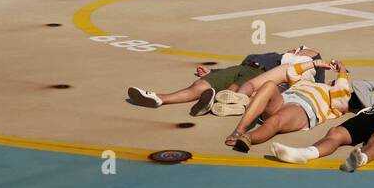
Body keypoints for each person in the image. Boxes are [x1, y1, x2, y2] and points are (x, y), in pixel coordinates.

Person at [126, 46, 323, 117]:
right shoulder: (273, 55)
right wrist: (213, 70)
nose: (298, 50)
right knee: (200, 85)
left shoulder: (287, 69)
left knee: (234, 89)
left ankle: (212, 104)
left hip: (256, 75)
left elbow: (303, 82)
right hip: (238, 68)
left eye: (304, 50)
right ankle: (159, 98)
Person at [224, 55, 351, 152]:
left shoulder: (333, 99)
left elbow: (342, 99)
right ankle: (239, 130)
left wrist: (342, 72)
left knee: (276, 120)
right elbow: (291, 71)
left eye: (339, 81)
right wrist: (315, 63)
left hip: (302, 108)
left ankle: (249, 137)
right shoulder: (307, 83)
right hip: (283, 100)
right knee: (269, 85)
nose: (337, 81)